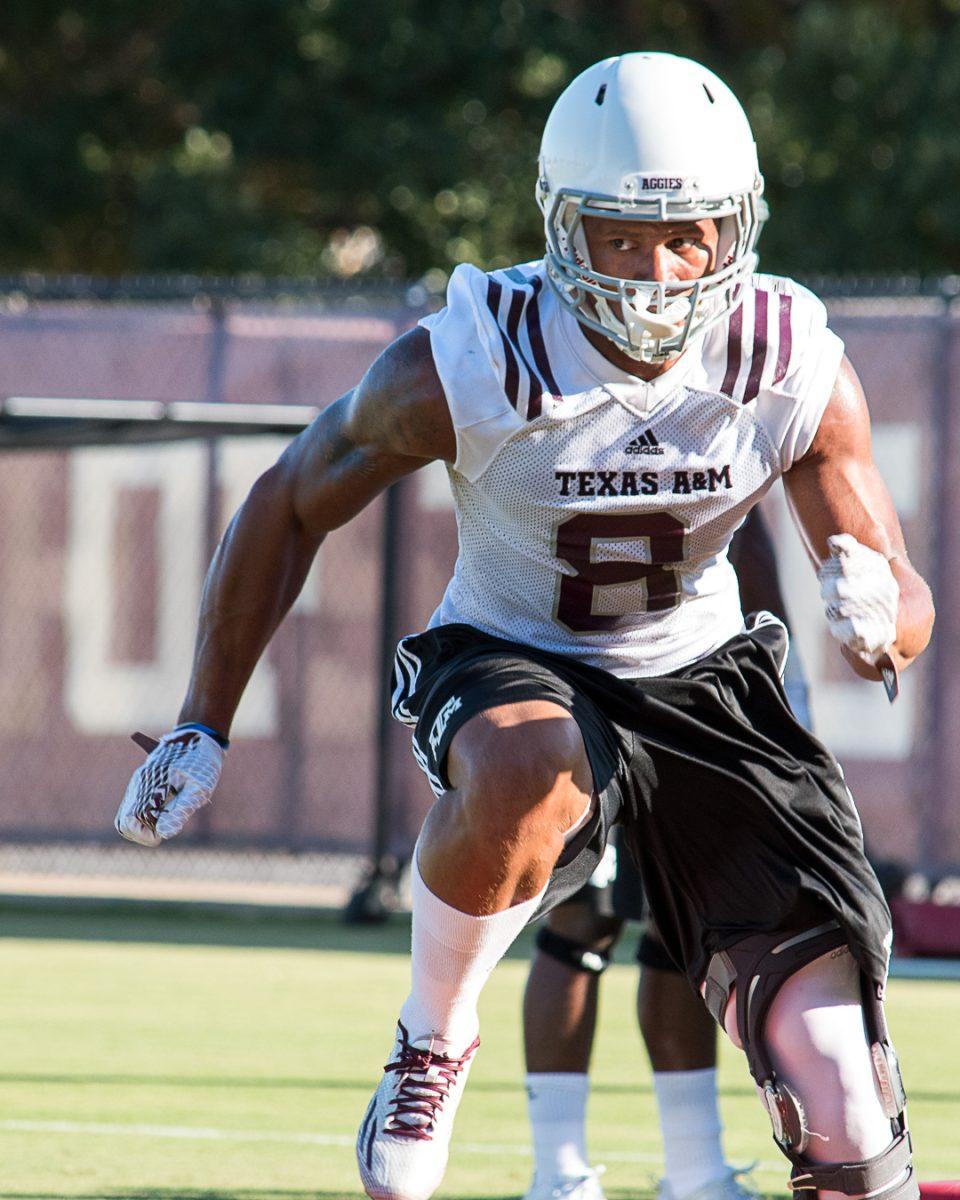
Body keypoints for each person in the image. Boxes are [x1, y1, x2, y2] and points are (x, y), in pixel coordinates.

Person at [115, 53, 933, 1200]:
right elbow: (292, 498)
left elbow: (902, 595)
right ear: (563, 229)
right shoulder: (478, 353)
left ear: (737, 225)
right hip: (514, 652)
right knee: (529, 759)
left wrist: (880, 615)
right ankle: (434, 1036)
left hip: (704, 686)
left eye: (690, 234)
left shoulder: (787, 357)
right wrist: (203, 723)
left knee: (848, 1112)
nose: (659, 271)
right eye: (623, 239)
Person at [522, 509, 802, 1200]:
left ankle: (693, 1168)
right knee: (582, 925)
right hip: (590, 682)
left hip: (676, 686)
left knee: (680, 926)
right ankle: (559, 1171)